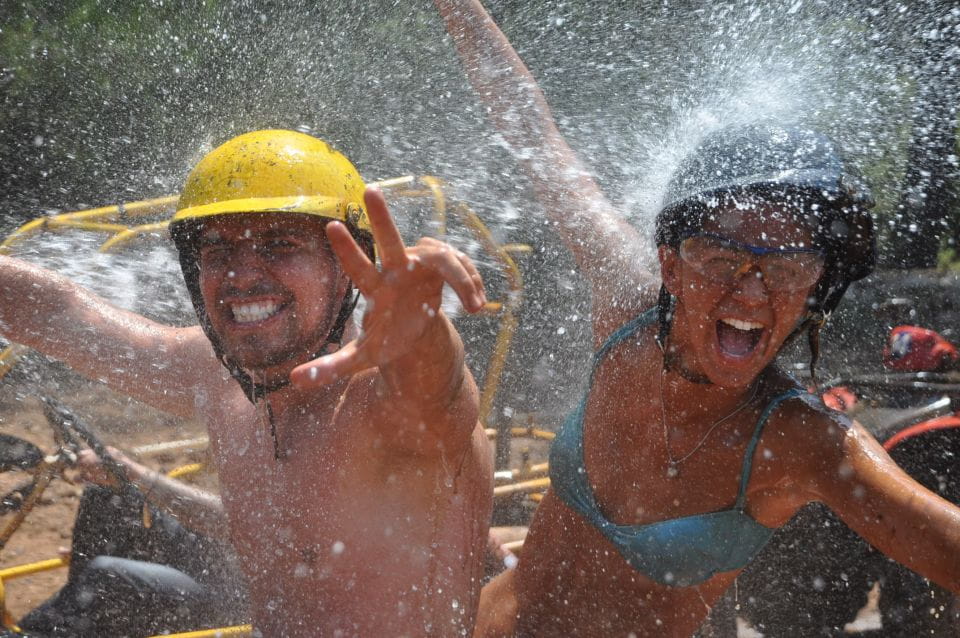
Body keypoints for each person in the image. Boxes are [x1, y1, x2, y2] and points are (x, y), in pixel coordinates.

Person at [431, 2, 960, 636]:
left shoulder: (808, 442)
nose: (752, 292)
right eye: (722, 258)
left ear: (816, 287)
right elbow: (535, 136)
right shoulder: (629, 303)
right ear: (671, 265)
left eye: (789, 268)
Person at [0, 129, 493, 637]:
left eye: (280, 244)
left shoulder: (388, 395)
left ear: (346, 269)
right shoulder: (216, 376)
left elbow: (438, 385)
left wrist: (425, 331)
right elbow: (59, 311)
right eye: (217, 250)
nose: (240, 274)